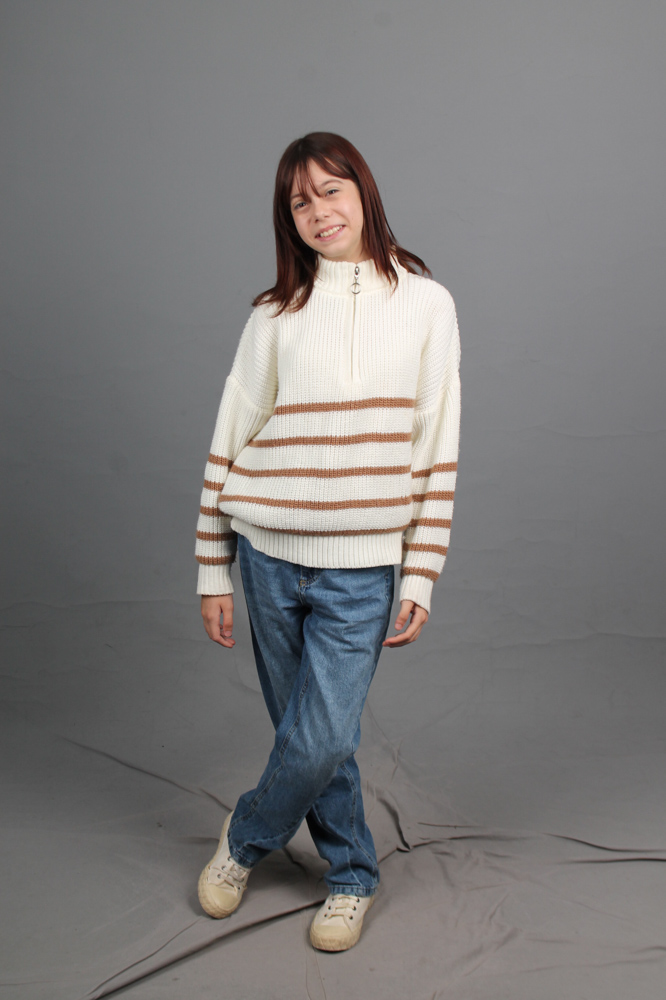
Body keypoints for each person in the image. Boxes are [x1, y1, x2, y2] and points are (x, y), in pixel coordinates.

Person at [194, 132, 461, 952]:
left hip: (361, 567)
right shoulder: (273, 315)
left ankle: (246, 835)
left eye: (331, 190)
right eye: (299, 202)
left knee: (323, 737)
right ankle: (352, 876)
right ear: (289, 220)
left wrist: (420, 572)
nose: (319, 211)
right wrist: (213, 568)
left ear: (363, 191)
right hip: (267, 554)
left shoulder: (427, 304)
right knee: (305, 737)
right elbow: (232, 432)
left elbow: (435, 443)